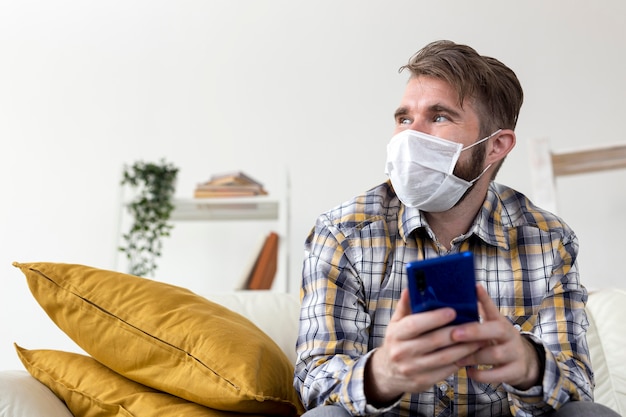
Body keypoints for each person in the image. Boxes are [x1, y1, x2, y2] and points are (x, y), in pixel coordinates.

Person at [293, 40, 619, 417]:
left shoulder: (548, 239)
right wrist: (381, 374)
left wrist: (530, 366)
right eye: (404, 119)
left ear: (496, 145)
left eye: (439, 117)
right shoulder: (342, 233)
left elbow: (576, 383)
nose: (409, 137)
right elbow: (315, 381)